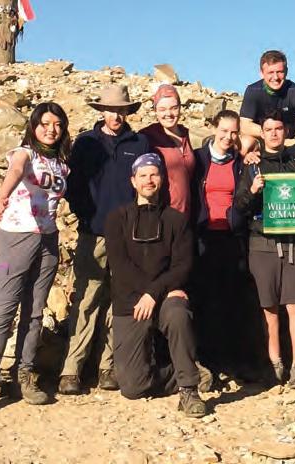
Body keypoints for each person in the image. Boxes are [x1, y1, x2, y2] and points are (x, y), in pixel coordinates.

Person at [0, 102, 71, 415]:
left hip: (48, 239)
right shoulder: (24, 153)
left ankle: (23, 374)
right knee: (4, 309)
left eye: (57, 124)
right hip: (18, 235)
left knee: (35, 311)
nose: (51, 130)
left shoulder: (61, 162)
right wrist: (2, 196)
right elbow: (14, 172)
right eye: (45, 123)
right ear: (34, 126)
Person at [58, 85, 149, 395]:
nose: (116, 116)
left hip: (128, 236)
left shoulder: (139, 143)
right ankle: (72, 369)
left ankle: (107, 366)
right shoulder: (86, 143)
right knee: (87, 299)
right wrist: (86, 215)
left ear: (128, 112)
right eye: (111, 110)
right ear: (102, 111)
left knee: (118, 299)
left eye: (121, 110)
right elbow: (74, 186)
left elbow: (147, 184)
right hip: (93, 233)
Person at [104, 153, 207, 418]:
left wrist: (155, 293)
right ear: (133, 181)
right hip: (131, 302)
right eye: (143, 176)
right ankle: (182, 371)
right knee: (132, 387)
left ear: (162, 179)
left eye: (154, 174)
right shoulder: (117, 219)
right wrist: (150, 293)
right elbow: (120, 265)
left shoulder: (177, 220)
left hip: (164, 298)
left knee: (178, 312)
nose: (148, 180)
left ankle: (188, 387)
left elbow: (182, 265)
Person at [234, 110, 295, 389]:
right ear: (262, 133)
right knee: (269, 308)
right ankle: (274, 364)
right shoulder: (252, 166)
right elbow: (239, 207)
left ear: (286, 132)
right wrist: (253, 191)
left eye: (278, 129)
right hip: (263, 243)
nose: (274, 133)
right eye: (269, 129)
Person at [191, 110, 253, 375]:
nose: (228, 136)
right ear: (213, 128)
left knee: (231, 299)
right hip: (204, 236)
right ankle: (206, 360)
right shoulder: (197, 159)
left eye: (233, 132)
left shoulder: (239, 163)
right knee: (205, 299)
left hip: (231, 236)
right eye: (224, 130)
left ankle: (231, 360)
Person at [239, 50, 295, 155]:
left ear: (286, 71)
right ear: (261, 73)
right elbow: (245, 127)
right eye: (270, 72)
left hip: (290, 140)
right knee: (245, 143)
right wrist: (273, 133)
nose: (275, 77)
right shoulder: (253, 91)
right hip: (262, 141)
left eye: (280, 72)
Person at [140, 84, 196, 216]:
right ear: (155, 111)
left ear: (180, 108)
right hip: (161, 215)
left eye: (174, 108)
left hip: (187, 215)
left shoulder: (188, 135)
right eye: (162, 109)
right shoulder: (147, 137)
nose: (168, 114)